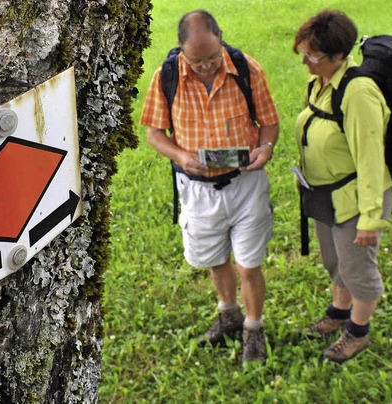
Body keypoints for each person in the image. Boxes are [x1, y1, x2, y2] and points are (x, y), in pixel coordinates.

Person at [140, 9, 279, 363]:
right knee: (216, 260)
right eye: (198, 61)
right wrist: (181, 156)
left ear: (221, 41)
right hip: (197, 189)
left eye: (213, 57)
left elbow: (268, 122)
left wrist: (265, 148)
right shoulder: (166, 76)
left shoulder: (246, 68)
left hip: (246, 183)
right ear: (181, 51)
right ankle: (229, 315)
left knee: (248, 265)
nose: (207, 67)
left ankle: (254, 328)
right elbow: (154, 134)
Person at [293, 9, 392, 363]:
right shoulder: (321, 81)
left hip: (354, 200)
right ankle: (338, 312)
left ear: (339, 55)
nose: (304, 61)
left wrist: (371, 217)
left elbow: (370, 159)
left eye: (312, 55)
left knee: (357, 269)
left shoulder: (358, 93)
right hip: (325, 195)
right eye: (302, 52)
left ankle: (357, 332)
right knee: (335, 261)